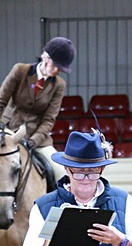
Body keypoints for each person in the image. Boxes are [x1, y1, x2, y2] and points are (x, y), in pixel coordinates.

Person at [0, 36, 76, 182]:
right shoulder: (20, 71)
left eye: (60, 69)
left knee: (61, 173)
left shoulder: (59, 85)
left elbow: (49, 119)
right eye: (55, 65)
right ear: (45, 57)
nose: (56, 71)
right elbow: (1, 100)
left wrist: (33, 141)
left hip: (37, 138)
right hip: (8, 130)